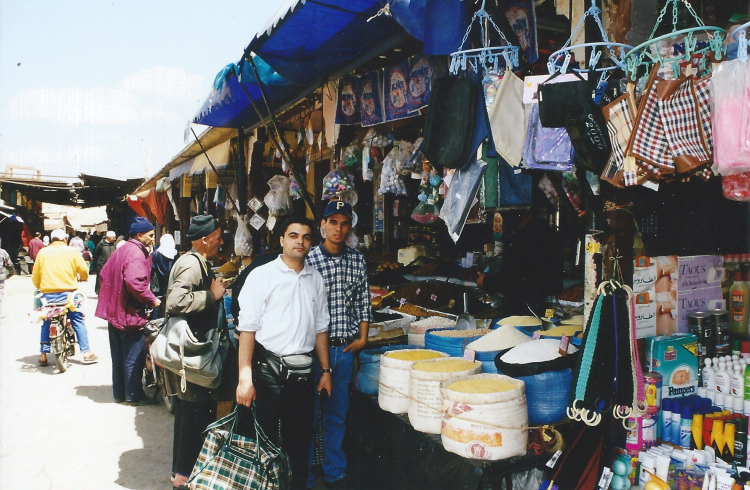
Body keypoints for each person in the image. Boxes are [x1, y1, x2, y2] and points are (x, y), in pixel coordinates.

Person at [236, 216, 332, 490]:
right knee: (264, 443)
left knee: (299, 443)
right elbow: (248, 330)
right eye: (293, 235)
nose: (299, 241)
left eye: (305, 237)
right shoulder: (262, 275)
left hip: (303, 375)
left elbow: (321, 329)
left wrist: (325, 372)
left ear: (311, 243)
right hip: (268, 372)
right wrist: (245, 379)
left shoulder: (316, 279)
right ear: (281, 240)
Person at [304, 200, 372, 490]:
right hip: (312, 352)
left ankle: (334, 472)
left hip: (344, 351)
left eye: (344, 223)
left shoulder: (357, 260)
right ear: (322, 225)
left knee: (337, 415)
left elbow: (363, 302)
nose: (338, 229)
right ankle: (304, 476)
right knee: (309, 415)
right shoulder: (309, 260)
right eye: (333, 222)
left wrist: (363, 337)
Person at [164, 216, 230, 489]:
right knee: (193, 412)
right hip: (192, 352)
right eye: (218, 236)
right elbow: (175, 301)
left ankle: (180, 474)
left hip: (193, 352)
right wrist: (212, 296)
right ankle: (182, 477)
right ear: (205, 239)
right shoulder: (191, 263)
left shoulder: (196, 261)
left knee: (189, 412)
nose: (221, 241)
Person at [95, 217, 161, 404]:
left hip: (115, 312)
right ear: (139, 235)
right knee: (134, 355)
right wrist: (152, 300)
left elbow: (103, 274)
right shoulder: (135, 253)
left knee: (119, 356)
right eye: (150, 234)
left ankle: (119, 393)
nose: (152, 238)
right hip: (128, 313)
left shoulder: (122, 249)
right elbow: (135, 283)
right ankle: (133, 395)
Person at [32, 228, 98, 367]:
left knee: (47, 321)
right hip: (69, 294)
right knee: (77, 319)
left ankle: (43, 355)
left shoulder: (43, 253)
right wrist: (84, 278)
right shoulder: (72, 252)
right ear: (64, 240)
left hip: (48, 295)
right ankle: (86, 353)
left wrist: (40, 286)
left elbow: (36, 276)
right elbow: (83, 271)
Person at [150, 233, 177, 318]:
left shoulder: (155, 255)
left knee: (157, 305)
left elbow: (151, 270)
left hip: (158, 284)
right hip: (171, 282)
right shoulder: (175, 254)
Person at [0, 239, 15, 317]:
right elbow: (9, 264)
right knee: (0, 296)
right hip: (0, 278)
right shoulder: (3, 252)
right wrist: (12, 272)